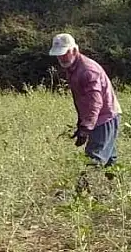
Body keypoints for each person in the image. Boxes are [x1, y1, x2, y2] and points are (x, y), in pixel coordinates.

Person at [50, 33, 122, 175]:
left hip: (105, 118)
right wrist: (81, 124)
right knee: (109, 162)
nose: (62, 58)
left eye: (65, 53)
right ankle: (114, 192)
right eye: (59, 55)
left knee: (93, 159)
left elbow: (95, 102)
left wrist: (86, 128)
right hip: (99, 118)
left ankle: (82, 193)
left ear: (75, 50)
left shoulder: (88, 71)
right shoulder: (72, 68)